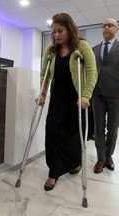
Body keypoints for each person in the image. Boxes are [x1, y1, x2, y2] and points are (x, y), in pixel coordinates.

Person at [37, 13, 97, 190]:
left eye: (60, 31)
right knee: (52, 135)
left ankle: (75, 162)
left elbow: (92, 73)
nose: (56, 35)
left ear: (70, 29)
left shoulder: (82, 46)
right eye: (54, 31)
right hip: (57, 100)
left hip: (77, 100)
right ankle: (53, 172)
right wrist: (42, 93)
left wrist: (86, 96)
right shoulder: (51, 51)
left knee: (73, 137)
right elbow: (44, 74)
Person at [92, 18, 119, 174]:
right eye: (104, 25)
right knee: (98, 128)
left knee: (112, 128)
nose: (106, 28)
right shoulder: (94, 49)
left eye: (110, 25)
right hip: (97, 94)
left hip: (116, 95)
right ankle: (100, 158)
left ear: (117, 29)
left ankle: (109, 156)